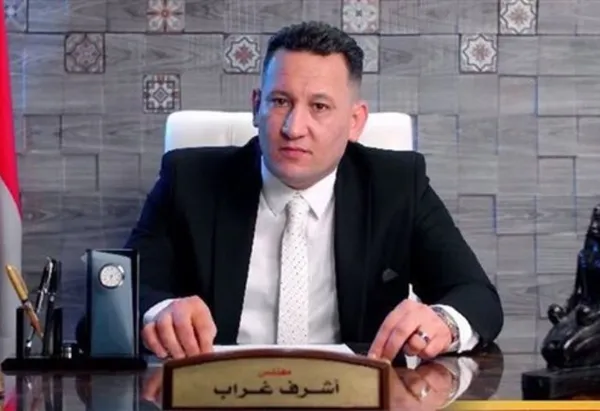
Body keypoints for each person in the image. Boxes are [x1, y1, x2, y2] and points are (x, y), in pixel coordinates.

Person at [130, 21, 503, 362]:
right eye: (280, 102)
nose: (294, 128)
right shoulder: (189, 180)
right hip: (218, 393)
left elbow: (476, 295)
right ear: (256, 106)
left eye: (319, 106)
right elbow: (123, 292)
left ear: (354, 121)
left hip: (356, 395)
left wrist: (443, 322)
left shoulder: (398, 184)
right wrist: (159, 313)